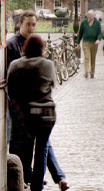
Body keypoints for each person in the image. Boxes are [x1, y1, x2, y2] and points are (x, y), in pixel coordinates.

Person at [6, 12, 69, 191]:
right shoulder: (48, 64)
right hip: (47, 114)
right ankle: (38, 186)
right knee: (41, 149)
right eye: (29, 24)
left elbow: (11, 89)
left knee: (25, 147)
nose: (31, 27)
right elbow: (53, 85)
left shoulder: (16, 65)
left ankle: (28, 178)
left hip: (27, 113)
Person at [76, 10, 102, 78]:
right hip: (86, 42)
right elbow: (80, 33)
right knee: (87, 57)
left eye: (92, 15)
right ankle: (86, 71)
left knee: (93, 58)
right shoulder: (84, 23)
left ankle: (92, 72)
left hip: (94, 42)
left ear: (94, 15)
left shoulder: (97, 23)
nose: (90, 16)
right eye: (89, 15)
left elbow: (100, 33)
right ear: (87, 15)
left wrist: (98, 39)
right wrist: (78, 43)